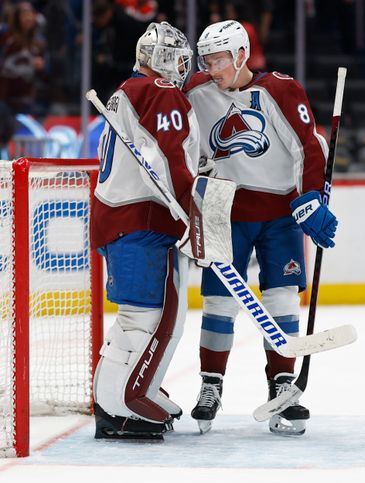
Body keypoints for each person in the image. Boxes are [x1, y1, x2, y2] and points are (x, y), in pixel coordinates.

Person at [184, 20, 336, 436]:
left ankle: (282, 383)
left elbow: (309, 145)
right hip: (223, 208)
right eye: (206, 60)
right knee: (218, 301)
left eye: (218, 59)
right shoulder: (195, 89)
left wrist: (311, 200)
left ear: (239, 55)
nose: (211, 68)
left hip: (278, 212)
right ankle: (210, 384)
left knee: (282, 298)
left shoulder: (280, 90)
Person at [91, 21, 233, 440]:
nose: (185, 67)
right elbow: (168, 156)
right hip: (139, 220)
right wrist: (195, 202)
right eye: (180, 59)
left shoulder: (128, 91)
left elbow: (162, 154)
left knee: (161, 317)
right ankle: (118, 406)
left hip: (132, 217)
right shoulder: (160, 91)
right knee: (142, 319)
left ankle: (138, 388)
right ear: (165, 60)